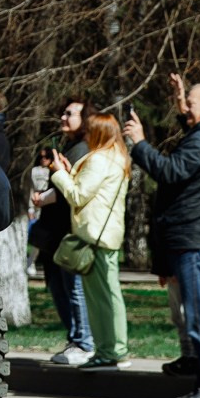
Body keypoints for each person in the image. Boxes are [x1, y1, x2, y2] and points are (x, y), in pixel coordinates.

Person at [124, 72, 200, 398]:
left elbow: (171, 170)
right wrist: (181, 103)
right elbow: (191, 147)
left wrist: (140, 143)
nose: (186, 109)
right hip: (197, 236)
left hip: (195, 238)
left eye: (191, 104)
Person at [46, 110, 130, 369]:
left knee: (100, 300)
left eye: (90, 130)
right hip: (107, 234)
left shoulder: (100, 159)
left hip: (95, 236)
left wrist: (59, 173)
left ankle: (109, 352)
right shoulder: (117, 157)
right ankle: (114, 350)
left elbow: (78, 196)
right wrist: (72, 173)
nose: (87, 135)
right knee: (109, 296)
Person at [29, 96, 96, 365]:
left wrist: (43, 198)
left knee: (74, 289)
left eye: (70, 114)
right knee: (59, 287)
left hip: (69, 232)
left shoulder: (82, 149)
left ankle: (84, 342)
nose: (63, 118)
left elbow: (69, 190)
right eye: (63, 113)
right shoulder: (70, 146)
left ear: (85, 120)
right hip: (55, 232)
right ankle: (75, 339)